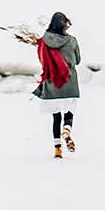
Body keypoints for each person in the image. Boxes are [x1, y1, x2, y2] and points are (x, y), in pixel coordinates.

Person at [33, 11, 81, 158]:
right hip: (70, 81)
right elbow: (77, 60)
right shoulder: (72, 40)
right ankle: (67, 130)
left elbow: (42, 61)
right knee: (69, 112)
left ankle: (57, 149)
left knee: (56, 117)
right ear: (65, 23)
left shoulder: (43, 41)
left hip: (53, 82)